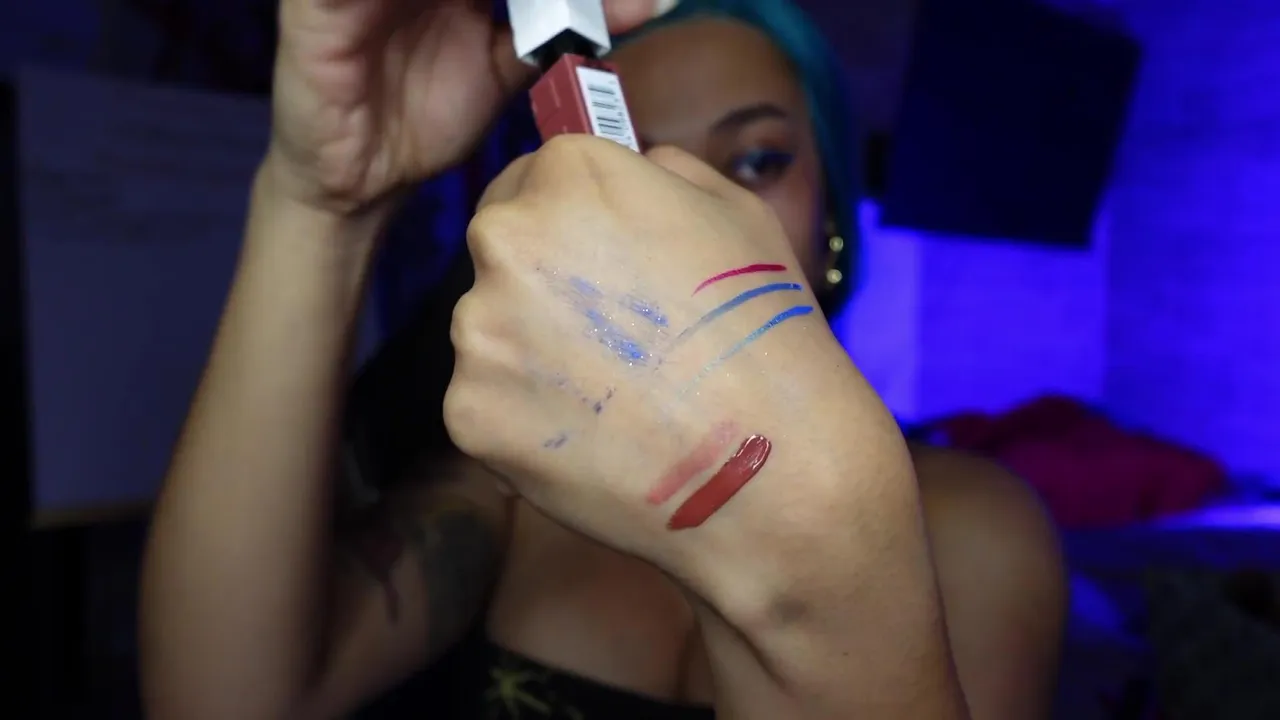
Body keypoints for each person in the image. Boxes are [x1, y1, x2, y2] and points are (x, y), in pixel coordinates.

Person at [139, 1, 1066, 719]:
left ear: (832, 216)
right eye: (631, 157)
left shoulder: (977, 534)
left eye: (756, 160)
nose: (684, 206)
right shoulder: (517, 496)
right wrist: (322, 201)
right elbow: (224, 700)